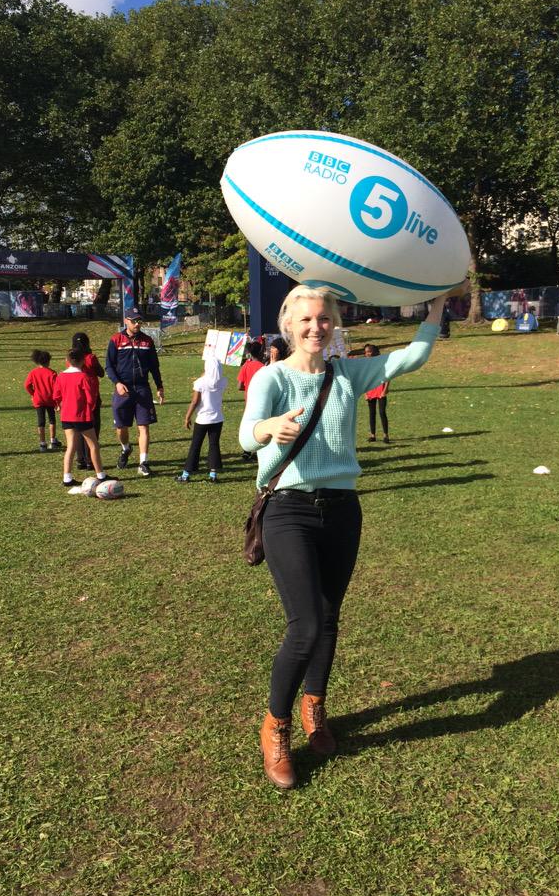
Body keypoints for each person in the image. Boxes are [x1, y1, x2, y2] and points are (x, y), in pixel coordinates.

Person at [239, 284, 445, 789]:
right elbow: (245, 436)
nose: (315, 328)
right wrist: (269, 427)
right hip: (288, 509)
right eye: (305, 320)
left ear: (335, 324)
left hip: (342, 509)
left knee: (329, 618)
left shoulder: (348, 372)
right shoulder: (271, 377)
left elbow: (414, 355)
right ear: (289, 326)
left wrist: (437, 302)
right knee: (305, 624)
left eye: (324, 320)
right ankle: (276, 727)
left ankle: (315, 709)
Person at [105, 308, 164, 477]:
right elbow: (109, 366)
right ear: (126, 321)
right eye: (134, 321)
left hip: (142, 389)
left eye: (139, 321)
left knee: (143, 426)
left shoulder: (147, 341)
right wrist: (117, 383)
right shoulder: (116, 340)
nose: (137, 324)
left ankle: (143, 462)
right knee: (121, 427)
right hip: (123, 389)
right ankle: (126, 448)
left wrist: (160, 387)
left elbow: (154, 367)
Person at [53, 348, 111, 487]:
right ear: (83, 361)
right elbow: (91, 398)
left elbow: (56, 395)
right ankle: (101, 475)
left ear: (67, 361)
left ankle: (67, 478)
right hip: (82, 416)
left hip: (66, 416)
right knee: (93, 445)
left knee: (71, 446)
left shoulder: (60, 376)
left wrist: (61, 405)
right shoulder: (83, 377)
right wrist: (90, 409)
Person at [176, 355, 228, 483]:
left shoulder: (200, 382)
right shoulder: (223, 381)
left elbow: (195, 401)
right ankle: (213, 474)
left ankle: (186, 474)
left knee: (195, 445)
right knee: (214, 445)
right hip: (217, 419)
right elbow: (213, 378)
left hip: (203, 419)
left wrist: (187, 416)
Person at [71, 331, 105, 470]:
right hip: (91, 395)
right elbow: (101, 373)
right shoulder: (90, 358)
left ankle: (80, 460)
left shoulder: (70, 358)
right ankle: (91, 459)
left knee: (78, 428)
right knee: (93, 427)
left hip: (76, 396)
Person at [24, 349, 61, 452]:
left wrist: (33, 394)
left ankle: (42, 443)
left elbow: (27, 385)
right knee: (52, 420)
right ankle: (53, 441)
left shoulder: (33, 373)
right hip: (50, 400)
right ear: (48, 361)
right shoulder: (52, 373)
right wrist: (57, 402)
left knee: (41, 421)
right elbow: (56, 388)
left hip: (39, 400)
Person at [363, 343, 389, 443]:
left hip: (381, 390)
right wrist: (365, 392)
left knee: (382, 412)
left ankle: (386, 435)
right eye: (366, 352)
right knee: (372, 413)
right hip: (370, 390)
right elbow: (364, 379)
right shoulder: (366, 364)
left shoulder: (382, 362)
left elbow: (388, 376)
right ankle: (372, 435)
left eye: (369, 352)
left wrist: (385, 389)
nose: (367, 354)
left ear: (374, 352)